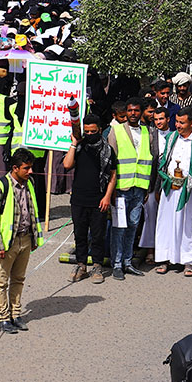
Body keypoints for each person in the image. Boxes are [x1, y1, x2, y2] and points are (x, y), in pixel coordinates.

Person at [0, 149, 44, 334]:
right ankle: (3, 318)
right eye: (26, 168)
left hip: (25, 239)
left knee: (18, 279)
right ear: (15, 168)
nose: (30, 172)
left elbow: (33, 211)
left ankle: (15, 314)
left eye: (31, 167)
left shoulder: (30, 183)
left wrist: (34, 237)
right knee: (1, 282)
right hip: (7, 244)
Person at [155, 106, 192, 277]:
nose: (178, 126)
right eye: (177, 122)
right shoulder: (172, 137)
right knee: (167, 224)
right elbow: (164, 161)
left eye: (182, 123)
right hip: (171, 189)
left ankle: (190, 262)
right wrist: (165, 180)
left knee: (191, 225)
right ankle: (166, 258)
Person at [105, 102, 158, 280]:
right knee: (119, 227)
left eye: (136, 110)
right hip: (121, 187)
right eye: (130, 110)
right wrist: (111, 190)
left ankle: (128, 262)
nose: (133, 113)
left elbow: (150, 159)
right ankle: (117, 264)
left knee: (133, 226)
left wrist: (146, 189)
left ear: (141, 112)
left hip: (139, 187)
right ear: (125, 112)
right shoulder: (117, 130)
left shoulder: (147, 131)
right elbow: (110, 162)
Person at [63, 114, 113, 284]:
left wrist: (107, 196)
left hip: (98, 199)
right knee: (80, 234)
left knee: (98, 235)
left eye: (93, 131)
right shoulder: (79, 147)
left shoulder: (107, 150)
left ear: (100, 129)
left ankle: (97, 266)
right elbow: (67, 165)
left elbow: (113, 175)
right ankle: (81, 265)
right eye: (87, 131)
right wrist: (73, 143)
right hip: (78, 198)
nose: (90, 134)